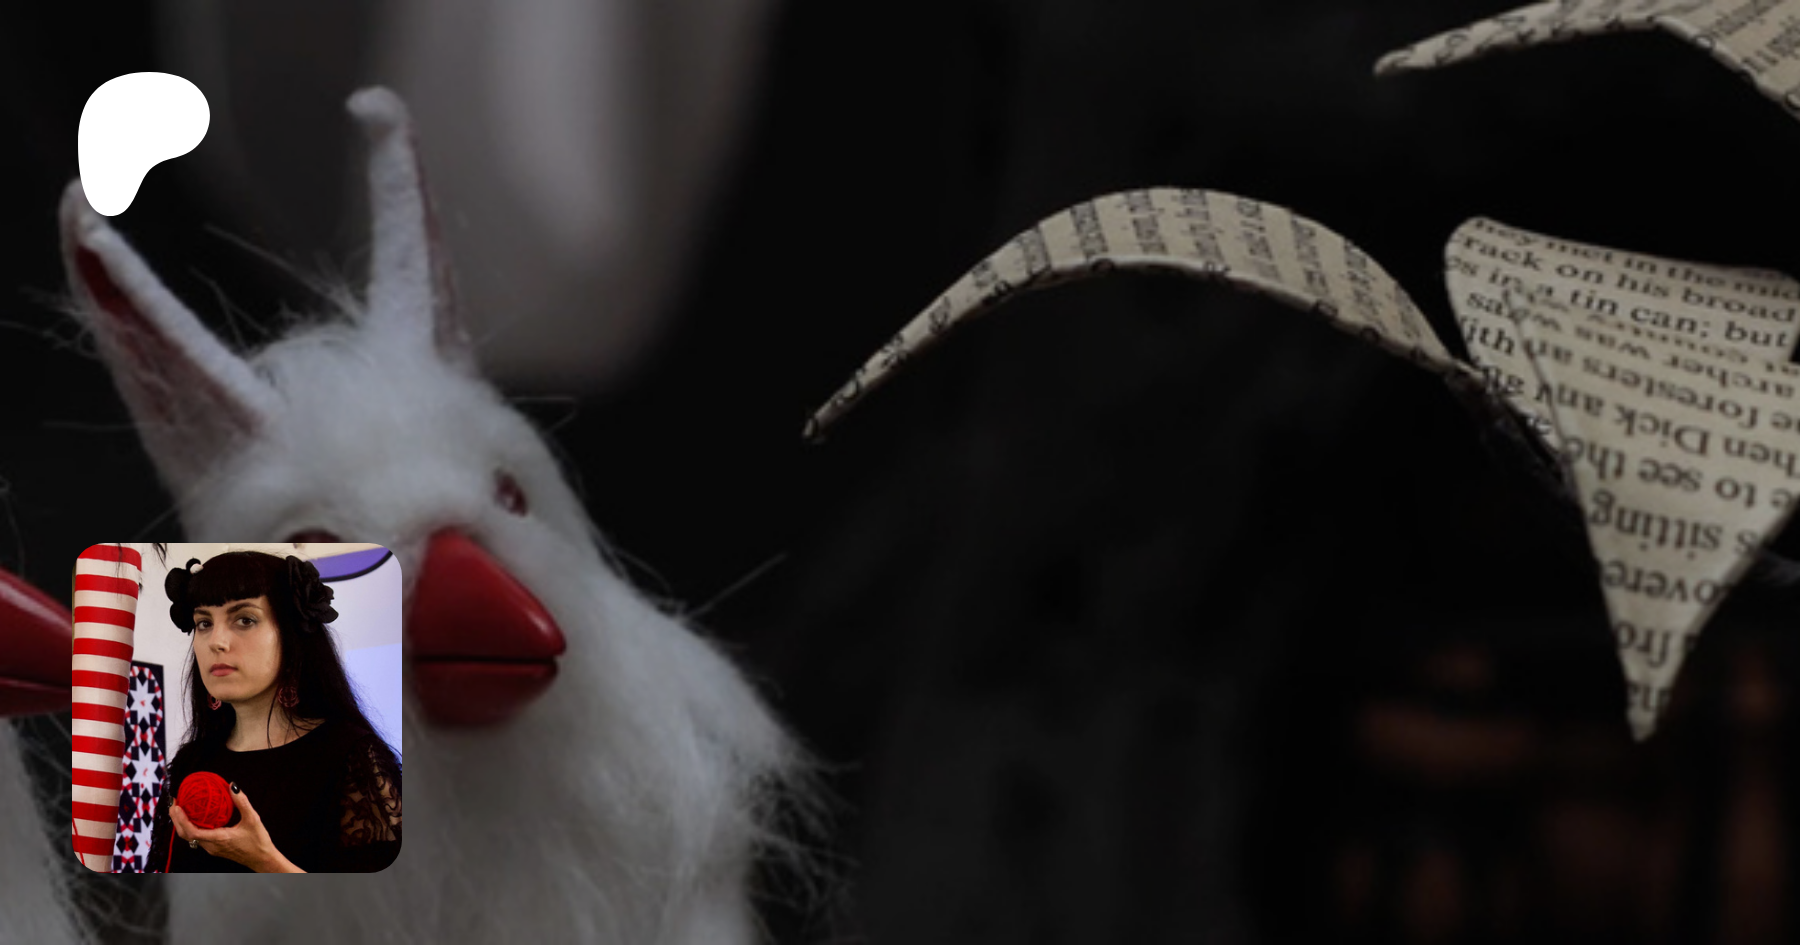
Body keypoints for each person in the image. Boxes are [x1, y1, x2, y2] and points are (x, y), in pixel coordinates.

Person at [146, 551, 402, 873]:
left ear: (291, 635)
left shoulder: (354, 759)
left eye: (245, 620)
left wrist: (265, 861)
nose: (216, 642)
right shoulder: (192, 760)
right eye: (204, 623)